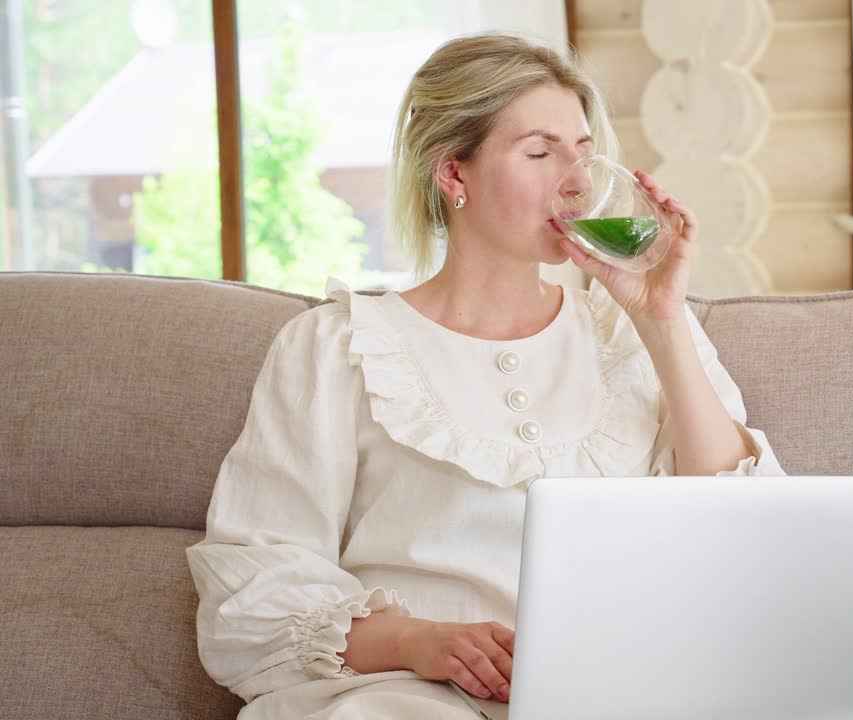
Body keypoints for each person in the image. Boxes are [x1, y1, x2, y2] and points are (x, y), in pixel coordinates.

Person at [186, 32, 786, 719]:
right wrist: (420, 643)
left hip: (616, 694)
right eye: (539, 153)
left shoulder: (635, 331)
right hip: (410, 699)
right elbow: (256, 588)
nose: (578, 181)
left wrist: (662, 320)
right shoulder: (336, 346)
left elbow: (747, 532)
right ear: (453, 175)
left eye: (584, 153)